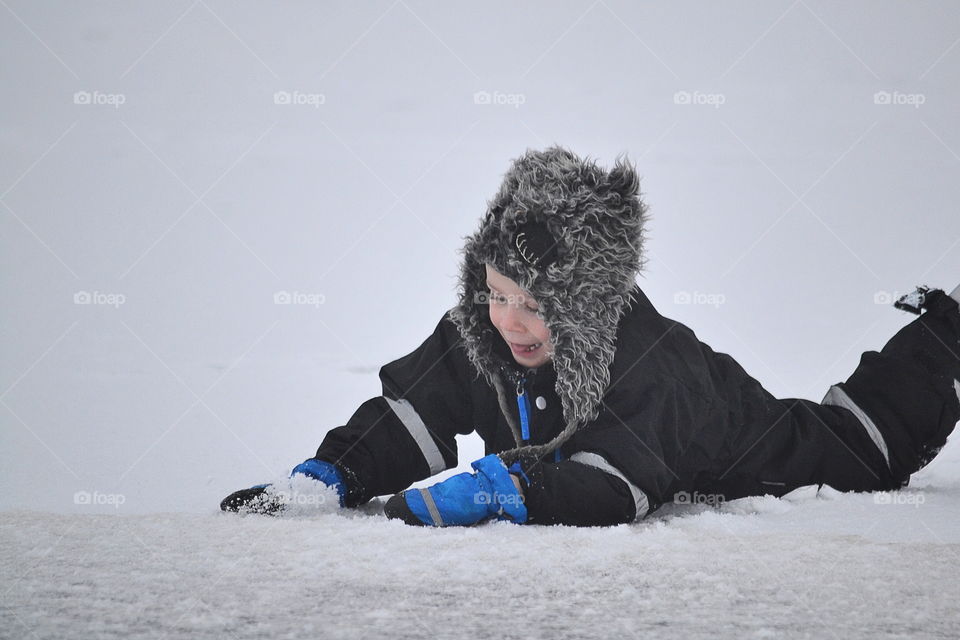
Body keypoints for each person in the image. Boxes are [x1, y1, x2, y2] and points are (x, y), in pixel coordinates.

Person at [221, 146, 960, 527]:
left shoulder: (650, 363)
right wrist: (337, 471)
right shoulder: (483, 336)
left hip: (760, 445)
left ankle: (948, 337)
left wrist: (517, 488)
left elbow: (618, 487)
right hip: (655, 441)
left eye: (533, 303)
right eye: (496, 294)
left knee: (866, 443)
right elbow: (413, 415)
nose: (509, 319)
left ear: (585, 301)